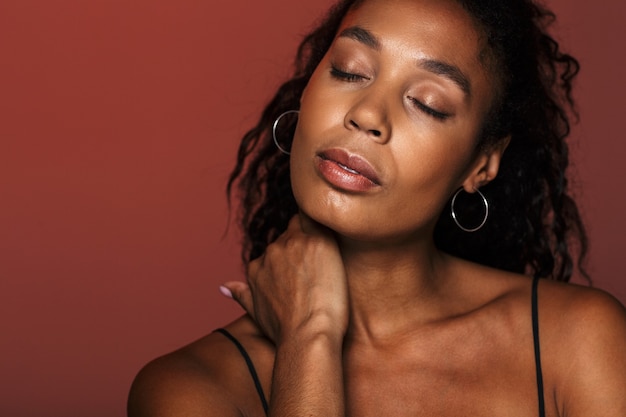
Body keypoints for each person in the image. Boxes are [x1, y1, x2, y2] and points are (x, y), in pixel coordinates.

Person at [128, 0, 626, 415]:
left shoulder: (579, 344)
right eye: (349, 71)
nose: (367, 114)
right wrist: (309, 339)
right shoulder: (189, 389)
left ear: (481, 163)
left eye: (428, 103)